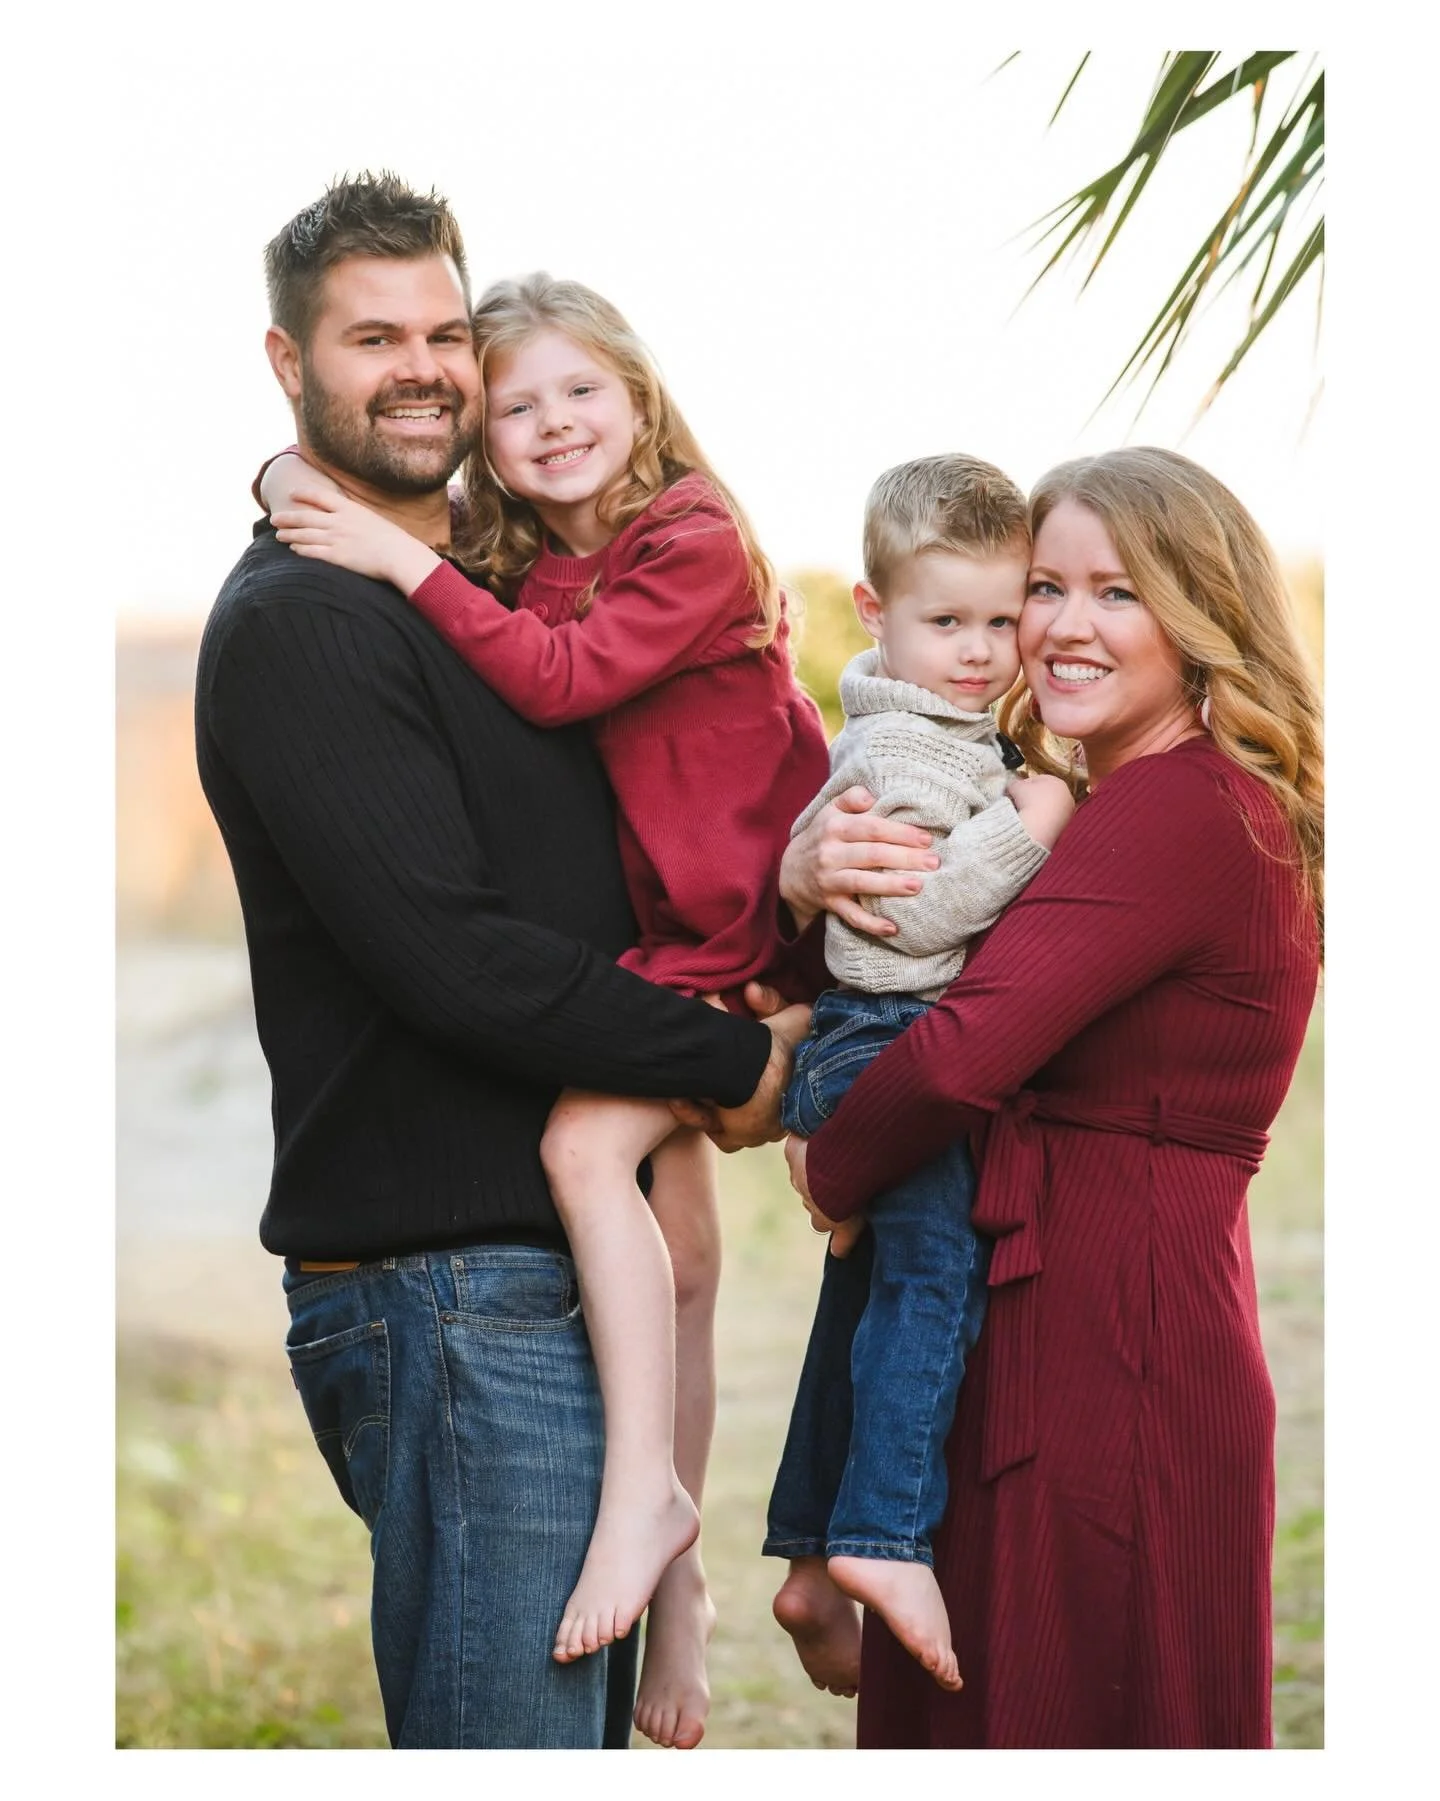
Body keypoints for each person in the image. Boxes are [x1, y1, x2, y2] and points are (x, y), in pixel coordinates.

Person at [194, 173, 805, 1752]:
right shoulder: (307, 624)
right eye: (369, 336)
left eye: (444, 333)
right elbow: (454, 959)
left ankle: (681, 1579)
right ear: (289, 363)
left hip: (536, 1289)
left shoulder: (498, 581)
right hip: (450, 1294)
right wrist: (736, 1063)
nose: (421, 366)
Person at [763, 446, 1323, 1746]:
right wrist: (803, 874)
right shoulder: (1101, 795)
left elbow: (956, 1051)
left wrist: (832, 1163)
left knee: (1079, 1701)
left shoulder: (1178, 809)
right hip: (1054, 1303)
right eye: (1043, 592)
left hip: (1111, 1332)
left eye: (1115, 593)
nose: (1062, 629)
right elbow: (885, 970)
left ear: (1199, 617)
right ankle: (816, 1547)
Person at [760, 454, 1075, 1694]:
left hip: (871, 1045)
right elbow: (905, 922)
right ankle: (884, 1536)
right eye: (950, 621)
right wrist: (1032, 825)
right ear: (872, 611)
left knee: (875, 1292)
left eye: (1006, 618)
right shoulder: (909, 756)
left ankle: (806, 1540)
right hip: (880, 1043)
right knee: (938, 1272)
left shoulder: (943, 728)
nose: (987, 649)